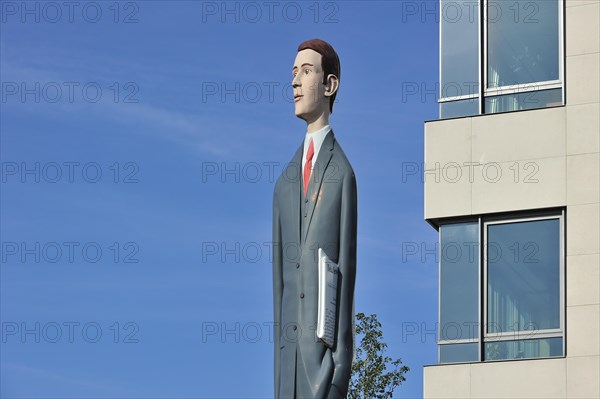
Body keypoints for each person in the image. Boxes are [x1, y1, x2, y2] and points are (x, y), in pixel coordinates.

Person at [272, 38, 358, 399]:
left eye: (306, 72)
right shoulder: (284, 183)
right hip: (286, 372)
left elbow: (347, 273)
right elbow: (279, 284)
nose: (295, 82)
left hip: (323, 368)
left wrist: (338, 370)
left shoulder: (342, 175)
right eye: (294, 73)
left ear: (329, 85)